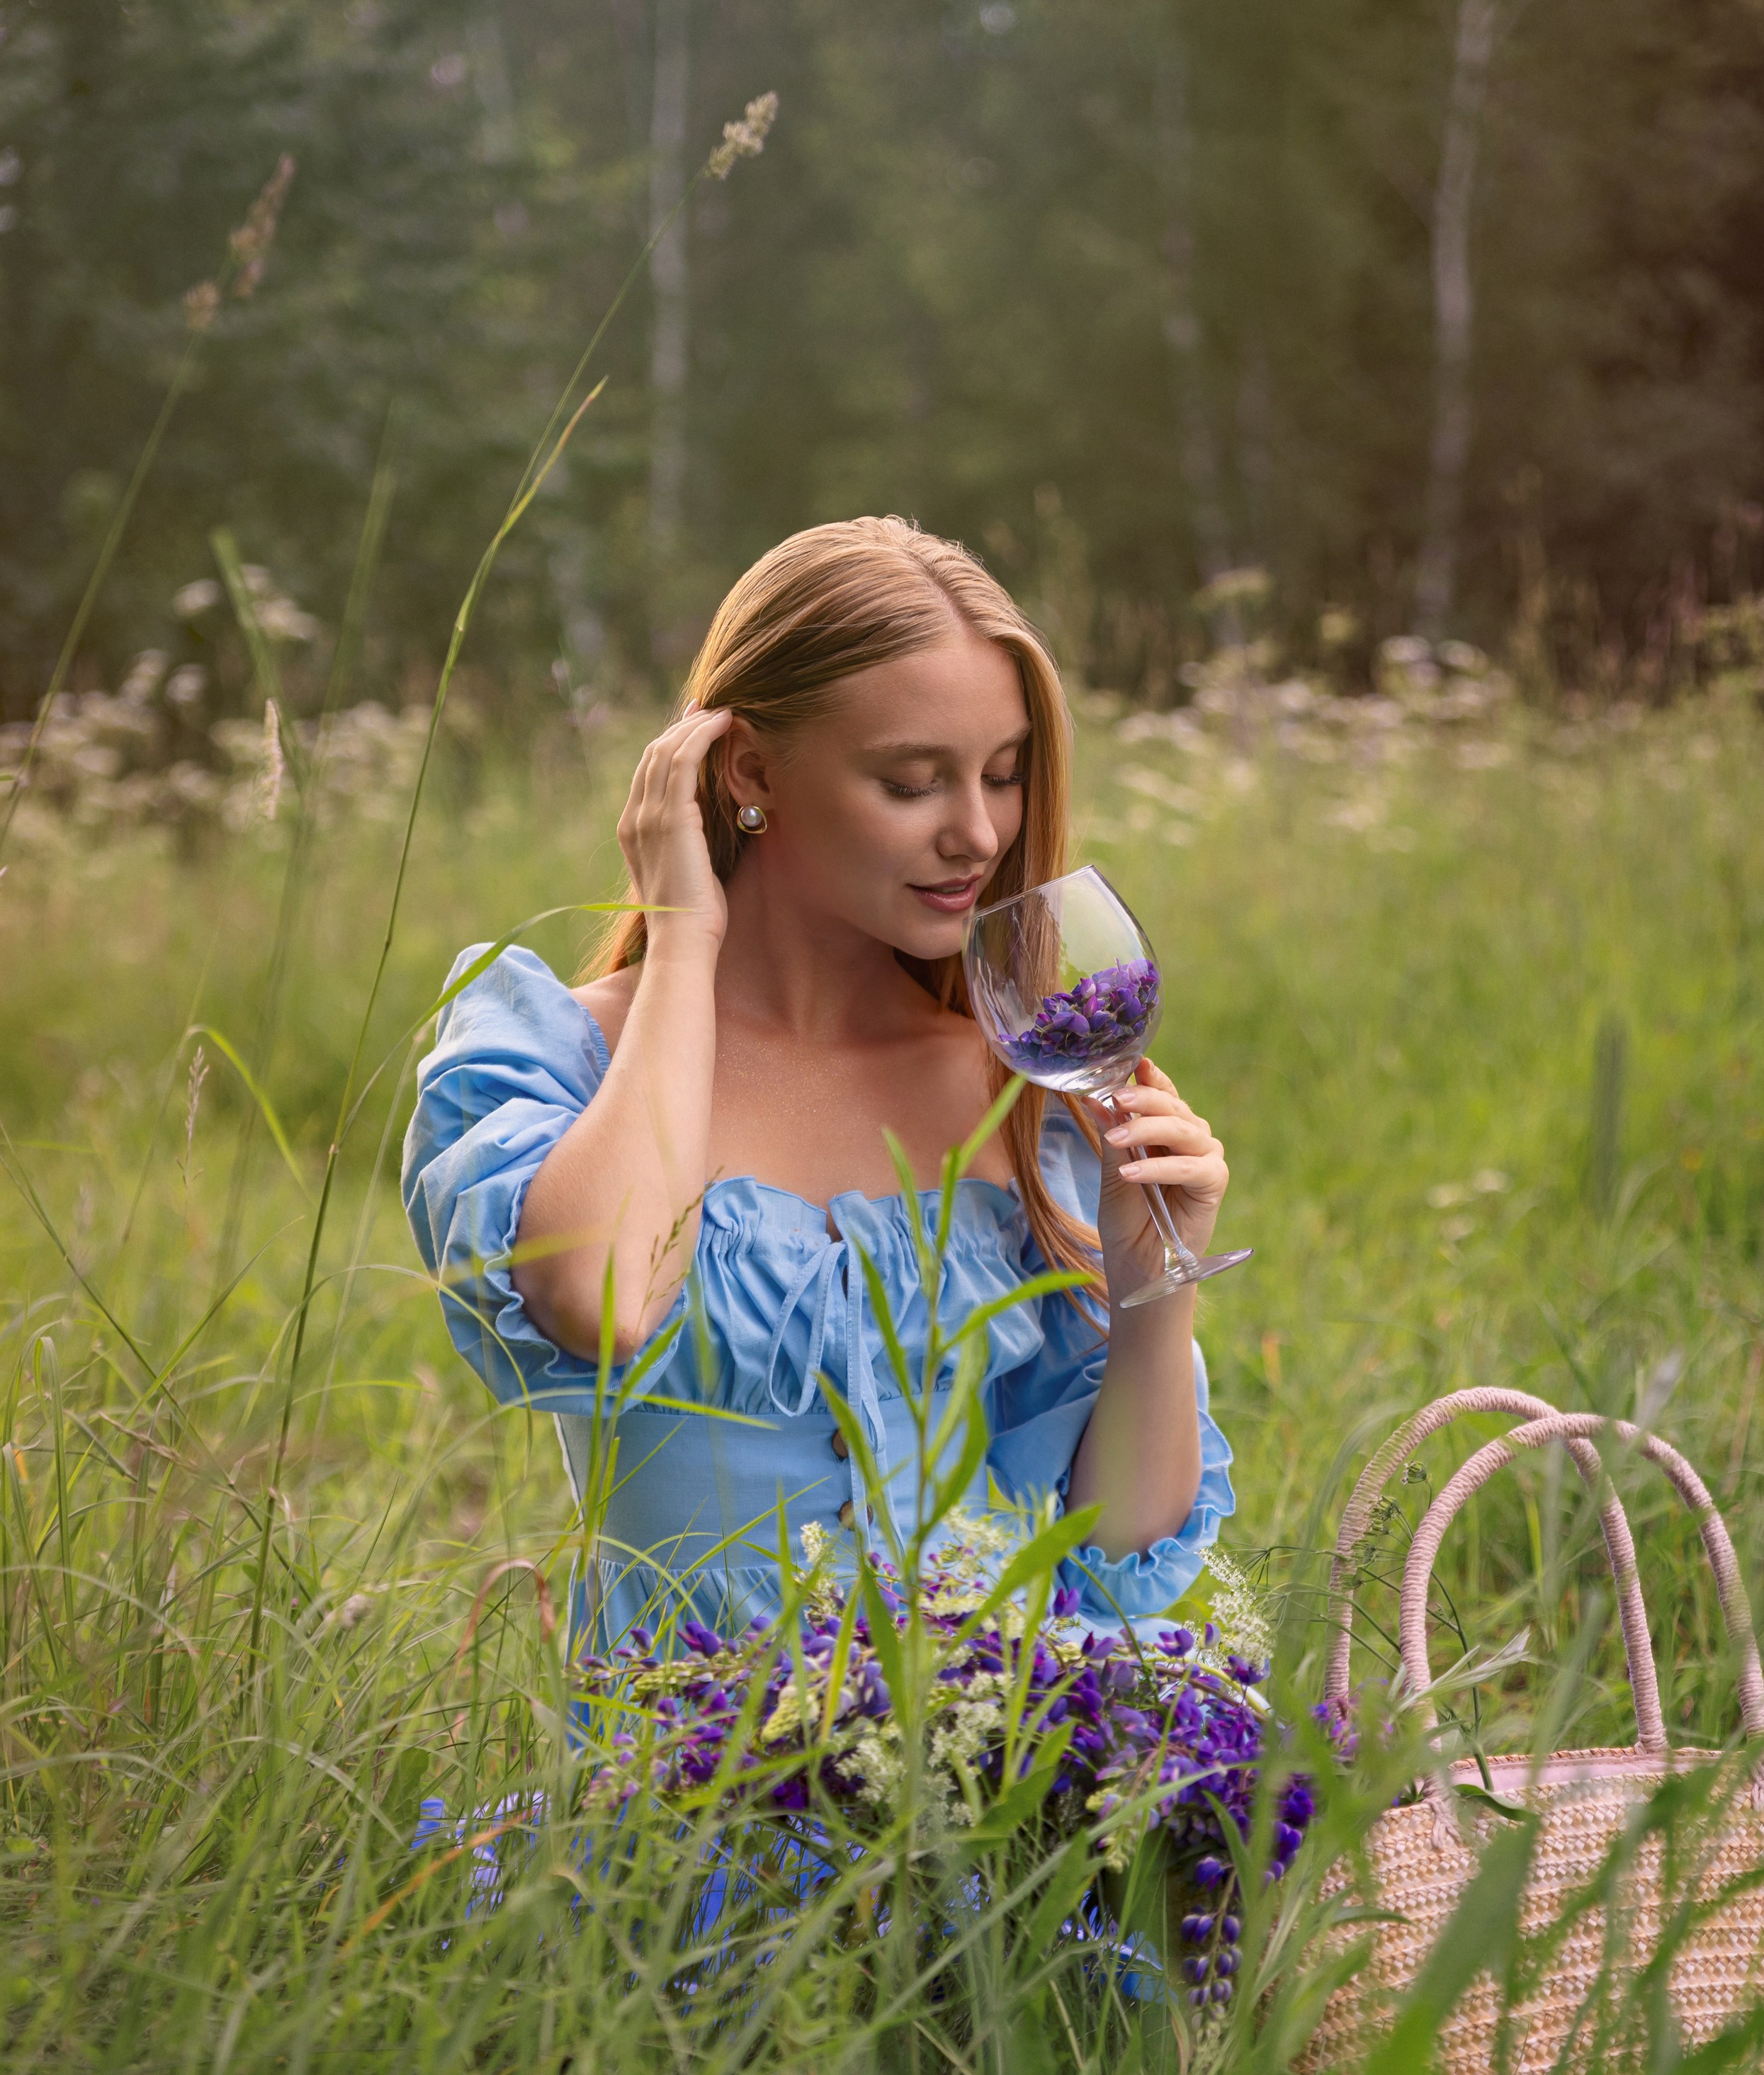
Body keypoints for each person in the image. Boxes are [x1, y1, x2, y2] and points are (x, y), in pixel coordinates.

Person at [402, 516, 1236, 1661]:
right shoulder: (558, 1058)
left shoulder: (1017, 1084)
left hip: (999, 1740)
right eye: (912, 782)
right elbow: (598, 1301)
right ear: (751, 771)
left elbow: (1117, 1551)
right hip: (689, 1757)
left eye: (1004, 775)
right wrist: (682, 939)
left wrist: (1152, 1289)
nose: (979, 833)